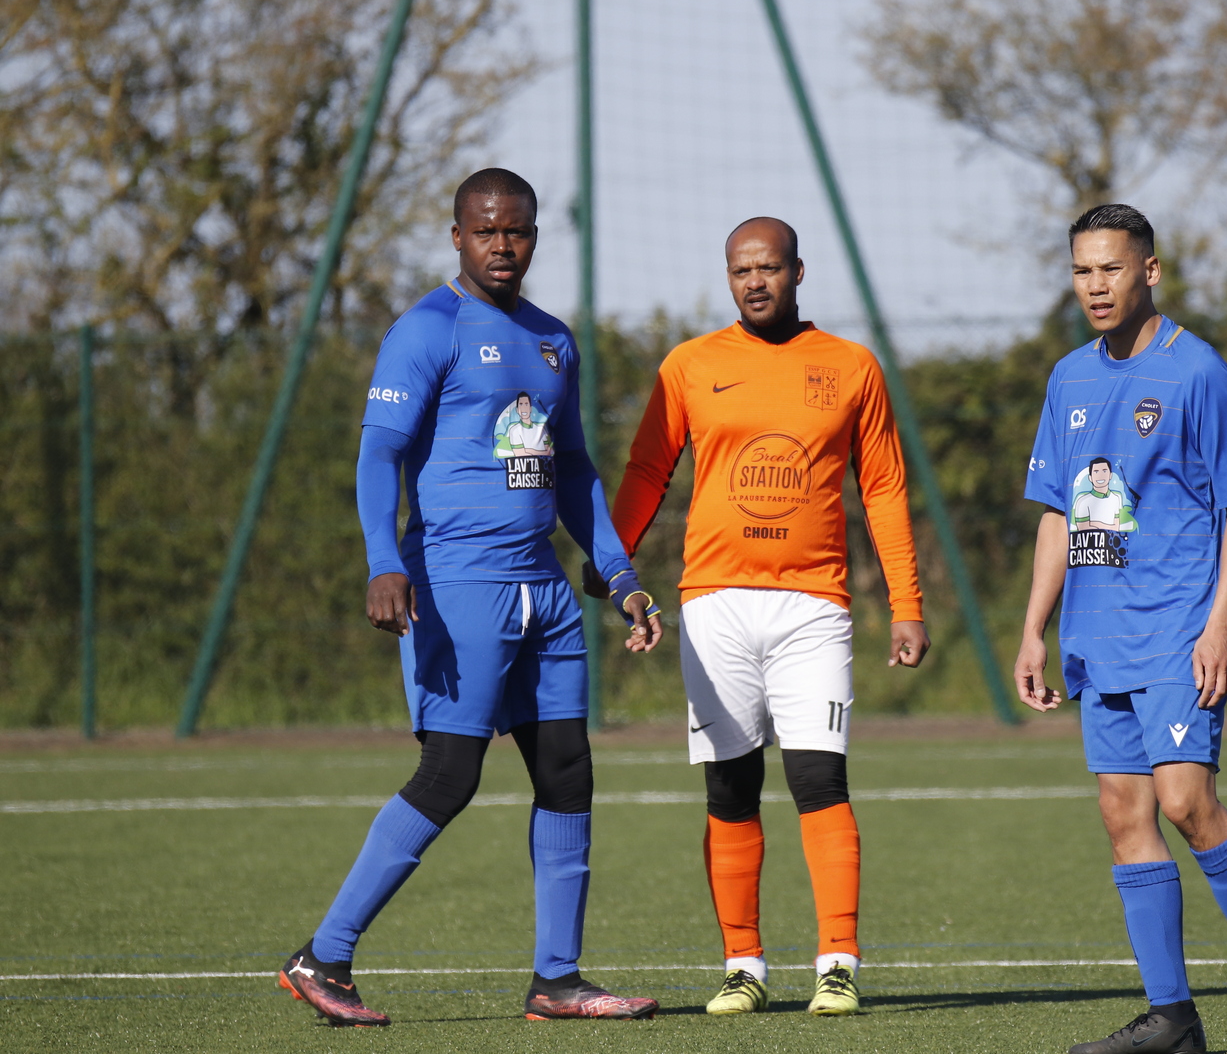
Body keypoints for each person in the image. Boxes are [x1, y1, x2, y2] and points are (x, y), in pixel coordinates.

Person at [277, 168, 663, 1028]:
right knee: (450, 773)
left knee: (567, 770)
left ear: (534, 237)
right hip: (457, 583)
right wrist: (384, 562)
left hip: (546, 590)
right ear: (457, 236)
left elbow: (572, 467)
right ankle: (323, 954)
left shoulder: (554, 340)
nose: (501, 244)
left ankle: (557, 979)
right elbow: (378, 454)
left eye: (516, 230)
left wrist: (621, 575)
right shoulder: (427, 329)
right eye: (485, 230)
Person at [607, 217, 929, 1017]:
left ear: (798, 272)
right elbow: (649, 465)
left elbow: (884, 486)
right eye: (741, 270)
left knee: (819, 777)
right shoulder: (690, 365)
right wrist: (613, 556)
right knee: (730, 785)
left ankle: (838, 963)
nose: (756, 281)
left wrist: (907, 603)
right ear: (729, 277)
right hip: (714, 603)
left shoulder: (852, 366)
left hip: (814, 604)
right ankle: (742, 966)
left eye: (770, 268)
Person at [1013, 204, 1227, 1054]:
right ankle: (1173, 1018)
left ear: (1150, 271)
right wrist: (1033, 628)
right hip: (1096, 633)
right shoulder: (1068, 377)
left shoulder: (1198, 371)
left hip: (1180, 629)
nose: (1095, 286)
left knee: (1186, 802)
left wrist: (1221, 625)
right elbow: (1057, 512)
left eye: (1111, 268)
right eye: (1082, 270)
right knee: (1123, 814)